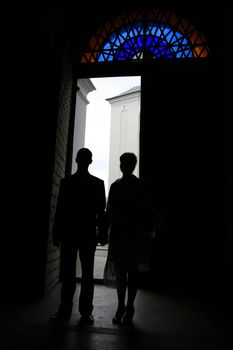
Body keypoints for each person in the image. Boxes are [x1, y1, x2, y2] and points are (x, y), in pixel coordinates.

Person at [50, 148, 107, 324]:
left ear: (76, 160)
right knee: (88, 274)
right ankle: (85, 312)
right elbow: (101, 213)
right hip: (88, 233)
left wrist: (56, 232)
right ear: (90, 161)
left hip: (69, 232)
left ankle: (65, 310)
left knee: (68, 273)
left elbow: (60, 211)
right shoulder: (98, 184)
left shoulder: (67, 182)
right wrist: (103, 234)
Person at [104, 152, 154, 325]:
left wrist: (103, 231)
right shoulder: (141, 186)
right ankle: (129, 307)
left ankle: (121, 307)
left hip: (119, 235)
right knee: (132, 272)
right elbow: (147, 211)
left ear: (122, 165)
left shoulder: (116, 186)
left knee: (121, 273)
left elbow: (109, 212)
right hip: (135, 235)